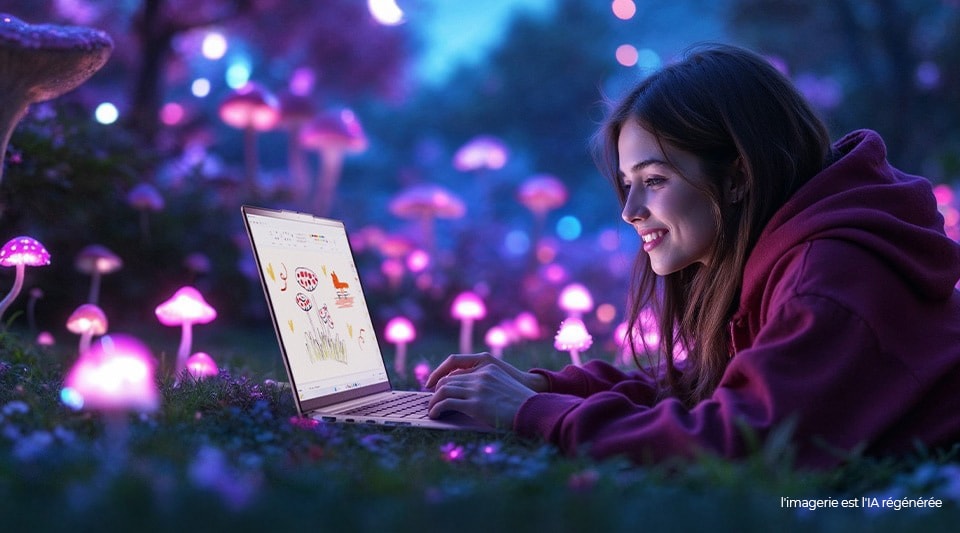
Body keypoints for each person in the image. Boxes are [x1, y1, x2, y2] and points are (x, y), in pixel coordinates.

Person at [425, 43, 960, 469]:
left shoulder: (829, 278)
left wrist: (534, 414)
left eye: (654, 179)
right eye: (627, 184)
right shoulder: (782, 257)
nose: (630, 210)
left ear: (737, 178)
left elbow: (742, 443)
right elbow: (701, 387)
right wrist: (547, 385)